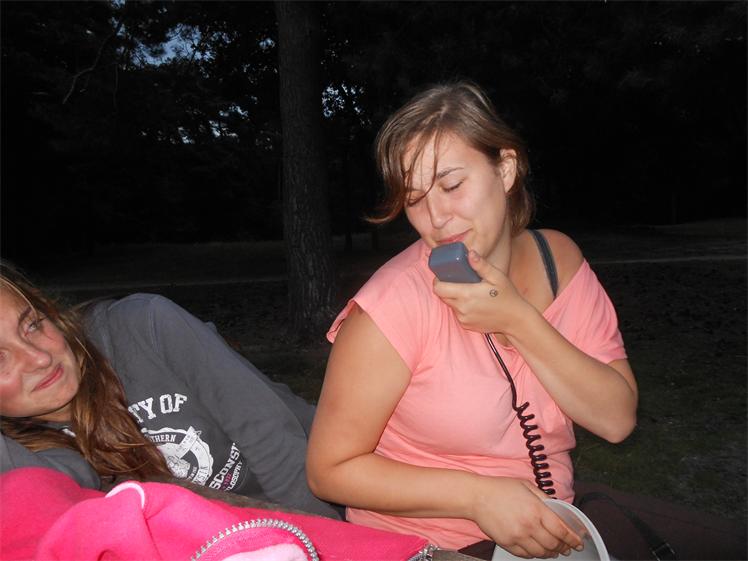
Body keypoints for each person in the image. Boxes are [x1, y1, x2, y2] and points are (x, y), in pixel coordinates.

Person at [306, 81, 638, 558]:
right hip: (430, 544)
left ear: (506, 168)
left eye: (451, 185)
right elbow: (328, 471)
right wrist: (478, 497)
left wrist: (519, 320)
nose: (436, 217)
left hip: (552, 522)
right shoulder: (391, 306)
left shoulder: (558, 261)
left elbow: (616, 419)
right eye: (414, 198)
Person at [0, 262, 341, 519]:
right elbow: (49, 497)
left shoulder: (142, 326)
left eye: (32, 325)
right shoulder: (26, 446)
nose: (39, 358)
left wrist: (329, 542)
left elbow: (274, 442)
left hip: (331, 491)